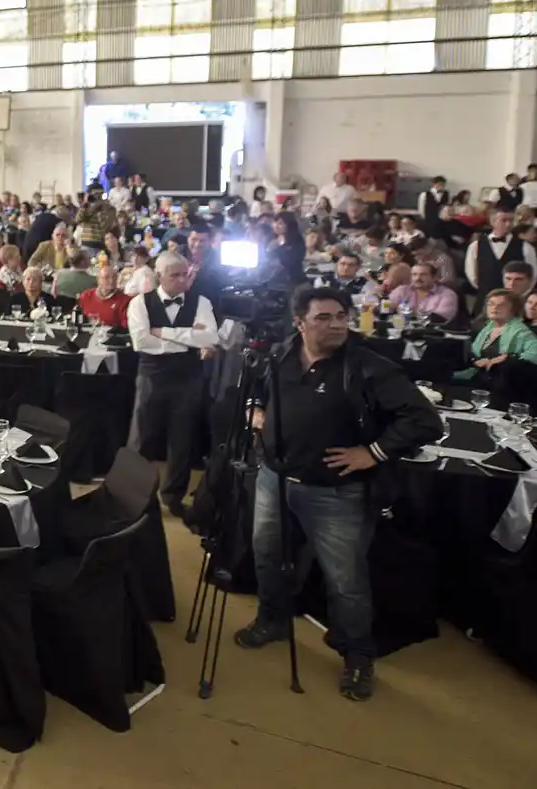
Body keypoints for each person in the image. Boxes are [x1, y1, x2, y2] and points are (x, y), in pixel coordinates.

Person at [235, 285, 443, 702]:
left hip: (337, 493)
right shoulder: (280, 353)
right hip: (274, 478)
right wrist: (254, 410)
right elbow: (258, 390)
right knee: (267, 555)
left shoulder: (367, 366)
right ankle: (273, 618)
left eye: (341, 316)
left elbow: (425, 420)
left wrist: (373, 451)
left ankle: (358, 654)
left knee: (345, 580)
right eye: (323, 318)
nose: (335, 325)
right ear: (300, 323)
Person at [127, 252, 218, 515]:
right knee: (141, 438)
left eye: (185, 274)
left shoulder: (201, 301)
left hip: (189, 378)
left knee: (182, 440)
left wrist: (165, 333)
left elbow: (210, 338)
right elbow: (141, 342)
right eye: (175, 275)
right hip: (151, 377)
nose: (182, 280)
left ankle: (173, 496)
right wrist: (189, 338)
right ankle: (134, 494)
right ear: (159, 276)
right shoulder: (140, 303)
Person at [456, 288, 537, 379]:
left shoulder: (520, 331)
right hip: (477, 376)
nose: (495, 307)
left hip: (500, 383)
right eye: (491, 303)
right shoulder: (489, 326)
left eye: (502, 305)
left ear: (513, 309)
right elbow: (474, 354)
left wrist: (507, 357)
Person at [464, 205, 537, 305]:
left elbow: (533, 275)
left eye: (511, 220)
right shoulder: (475, 246)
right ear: (493, 222)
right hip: (486, 301)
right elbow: (472, 275)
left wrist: (520, 295)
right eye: (504, 220)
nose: (508, 224)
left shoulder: (526, 247)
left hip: (515, 303)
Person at [387, 262, 458, 322]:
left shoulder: (447, 294)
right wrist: (388, 305)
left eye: (423, 275)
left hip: (430, 334)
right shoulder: (402, 290)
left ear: (434, 277)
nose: (418, 278)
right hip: (401, 330)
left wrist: (412, 313)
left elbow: (442, 317)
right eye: (414, 274)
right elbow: (383, 306)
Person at [76, 263, 131, 328]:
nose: (111, 281)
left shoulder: (125, 301)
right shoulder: (86, 296)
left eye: (114, 277)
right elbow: (77, 319)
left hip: (111, 336)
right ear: (98, 280)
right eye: (106, 277)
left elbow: (126, 329)